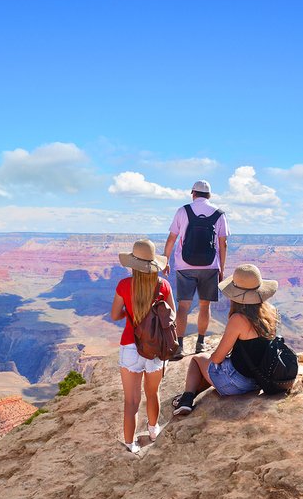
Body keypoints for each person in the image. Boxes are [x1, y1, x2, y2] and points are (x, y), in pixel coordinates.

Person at [172, 264, 279, 415]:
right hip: (260, 380)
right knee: (213, 366)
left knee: (198, 359)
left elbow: (216, 359)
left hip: (238, 384)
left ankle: (186, 400)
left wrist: (213, 356)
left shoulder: (238, 319)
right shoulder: (271, 313)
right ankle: (188, 396)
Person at [111, 239, 176, 453]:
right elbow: (172, 316)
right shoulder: (163, 285)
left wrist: (128, 313)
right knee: (153, 392)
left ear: (133, 264)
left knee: (131, 400)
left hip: (130, 346)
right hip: (155, 347)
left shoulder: (123, 285)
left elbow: (114, 315)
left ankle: (130, 444)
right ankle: (153, 429)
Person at [163, 180, 230, 358]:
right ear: (209, 195)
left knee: (183, 306)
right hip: (210, 266)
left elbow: (172, 238)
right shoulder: (219, 214)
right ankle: (200, 343)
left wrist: (165, 260)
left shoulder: (182, 211)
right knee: (204, 305)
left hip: (185, 266)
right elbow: (223, 245)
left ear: (193, 193)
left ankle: (179, 346)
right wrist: (221, 269)